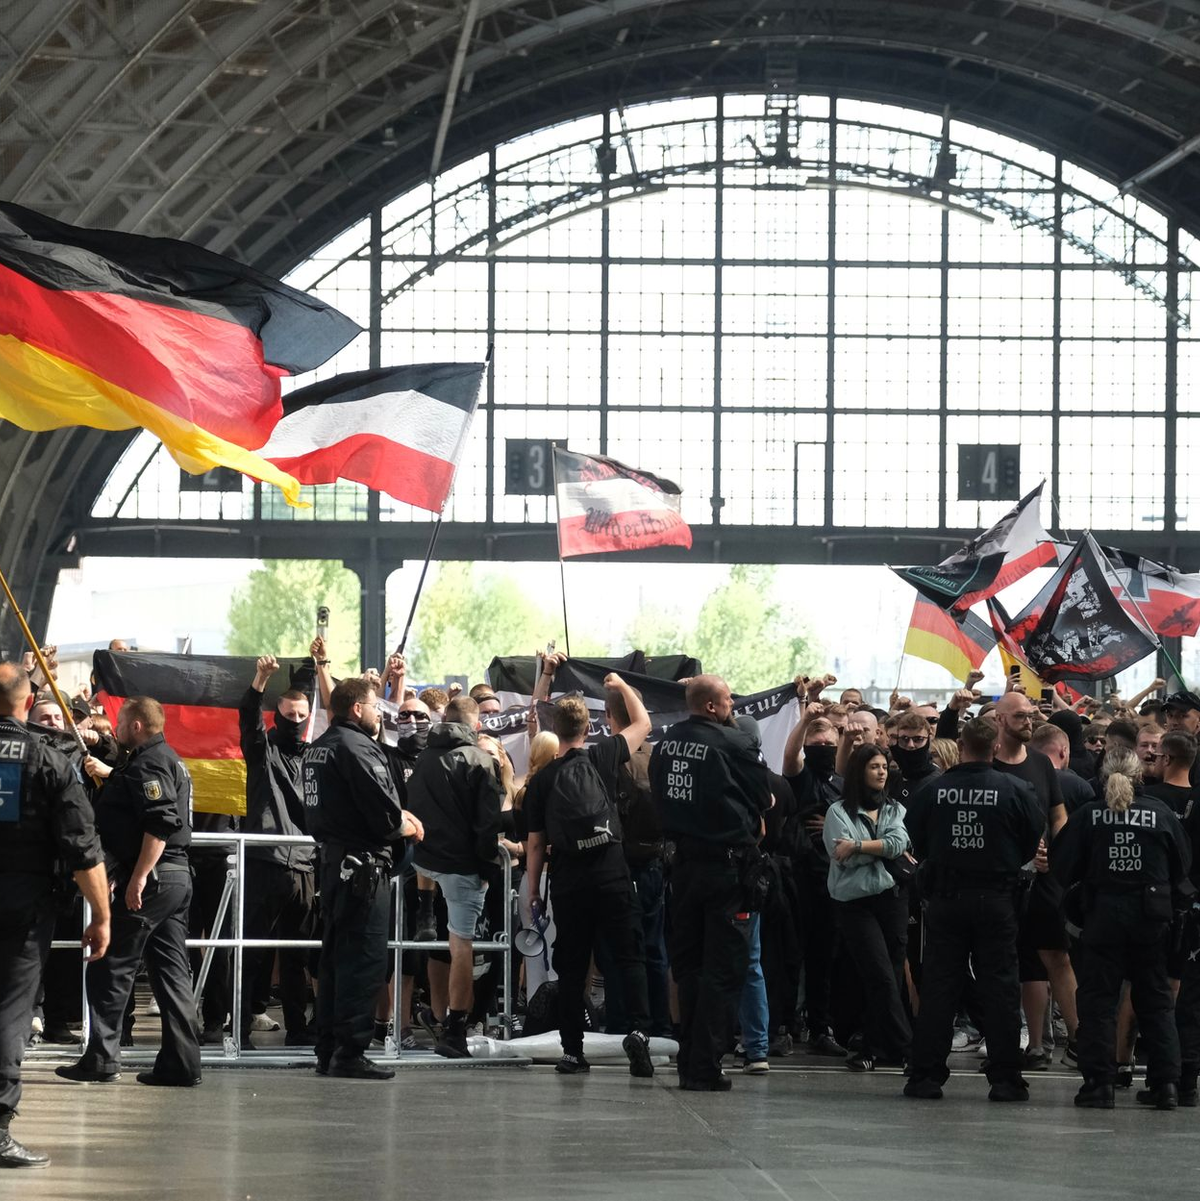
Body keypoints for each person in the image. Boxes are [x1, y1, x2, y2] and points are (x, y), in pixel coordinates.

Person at [57, 696, 202, 1088]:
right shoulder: (164, 760)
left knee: (109, 964)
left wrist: (138, 877)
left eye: (120, 723)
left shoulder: (150, 763)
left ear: (136, 725)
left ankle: (101, 1059)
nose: (115, 730)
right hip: (175, 879)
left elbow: (160, 823)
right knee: (171, 972)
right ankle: (182, 1063)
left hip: (153, 880)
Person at [0, 663, 110, 1169]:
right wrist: (102, 917)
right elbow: (83, 847)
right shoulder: (46, 758)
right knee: (10, 1013)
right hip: (22, 908)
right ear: (27, 703)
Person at [903, 718, 1043, 1101]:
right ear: (995, 747)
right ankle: (1005, 1078)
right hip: (997, 899)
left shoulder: (933, 790)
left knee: (939, 988)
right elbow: (1031, 842)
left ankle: (926, 1076)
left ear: (961, 746)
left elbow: (915, 837)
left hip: (946, 899)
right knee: (999, 988)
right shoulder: (1015, 790)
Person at [523, 679, 656, 1077]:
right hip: (612, 874)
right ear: (588, 727)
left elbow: (534, 846)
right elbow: (643, 722)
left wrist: (535, 892)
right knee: (630, 958)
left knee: (571, 968)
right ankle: (639, 1033)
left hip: (569, 882)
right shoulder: (604, 755)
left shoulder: (541, 782)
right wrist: (622, 684)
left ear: (554, 730)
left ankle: (572, 1051)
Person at [649, 675, 772, 1091]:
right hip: (726, 870)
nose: (733, 705)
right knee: (725, 970)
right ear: (713, 707)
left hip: (682, 869)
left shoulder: (664, 744)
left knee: (689, 967)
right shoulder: (733, 744)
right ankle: (705, 1064)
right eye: (728, 700)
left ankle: (690, 1061)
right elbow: (765, 799)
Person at [1051, 747, 1192, 1109]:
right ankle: (1166, 1086)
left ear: (1102, 777)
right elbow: (1182, 867)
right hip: (1152, 918)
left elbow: (1062, 867)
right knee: (1157, 1002)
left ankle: (1099, 1084)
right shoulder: (1160, 814)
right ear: (1139, 776)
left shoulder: (1088, 816)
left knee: (1099, 1002)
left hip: (1101, 918)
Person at [305, 677, 421, 1079]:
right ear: (357, 708)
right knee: (364, 960)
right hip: (363, 866)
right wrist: (406, 824)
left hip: (333, 862)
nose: (378, 713)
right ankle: (350, 1052)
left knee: (335, 960)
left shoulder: (318, 746)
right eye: (375, 706)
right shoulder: (357, 748)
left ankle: (328, 1049)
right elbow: (385, 813)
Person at [407, 695, 503, 1058]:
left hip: (425, 858)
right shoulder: (480, 760)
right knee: (461, 947)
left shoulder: (423, 758)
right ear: (475, 725)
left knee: (441, 941)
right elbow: (487, 823)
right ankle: (455, 1029)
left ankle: (426, 910)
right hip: (462, 865)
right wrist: (487, 867)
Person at [992, 691, 1077, 1066]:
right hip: (1000, 882)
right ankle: (1033, 1044)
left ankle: (1081, 1040)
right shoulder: (987, 766)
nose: (1030, 721)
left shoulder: (1042, 764)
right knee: (1011, 962)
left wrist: (1058, 858)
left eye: (1031, 715)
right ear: (1000, 720)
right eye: (1021, 716)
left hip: (1043, 880)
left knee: (1055, 957)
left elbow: (1058, 816)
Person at [237, 653, 317, 1048]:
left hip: (304, 864)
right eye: (289, 715)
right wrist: (260, 681)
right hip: (266, 859)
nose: (297, 721)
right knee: (252, 950)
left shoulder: (315, 757)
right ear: (277, 715)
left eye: (303, 715)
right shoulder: (262, 751)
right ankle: (239, 1025)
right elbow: (249, 722)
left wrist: (320, 667)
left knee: (296, 955)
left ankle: (298, 1029)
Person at [823, 743, 913, 1072]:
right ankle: (907, 1048)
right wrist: (881, 849)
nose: (880, 772)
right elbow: (843, 859)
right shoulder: (837, 812)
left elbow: (899, 844)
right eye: (874, 766)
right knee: (880, 976)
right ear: (859, 771)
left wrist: (860, 845)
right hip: (855, 904)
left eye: (883, 767)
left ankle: (873, 1046)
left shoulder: (893, 809)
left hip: (891, 899)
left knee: (889, 976)